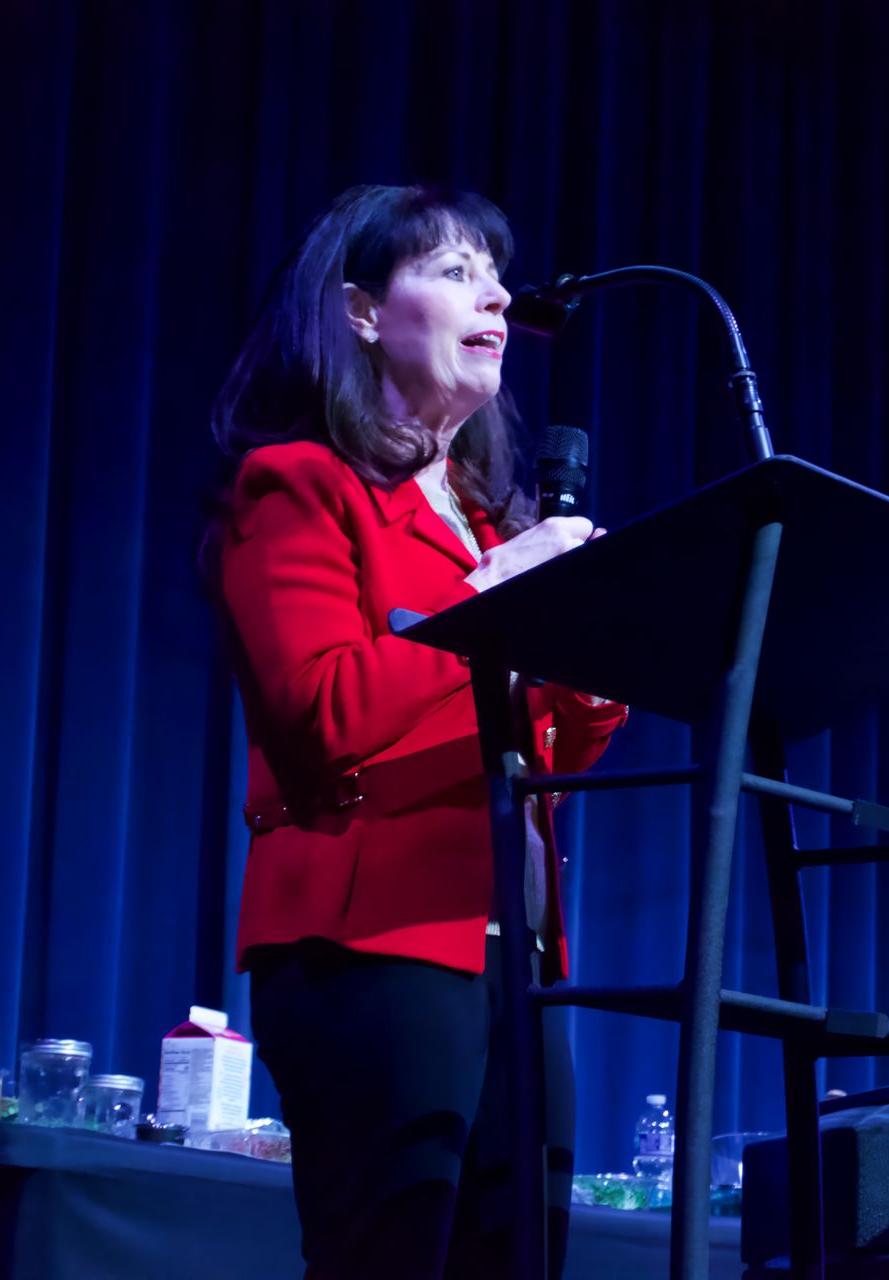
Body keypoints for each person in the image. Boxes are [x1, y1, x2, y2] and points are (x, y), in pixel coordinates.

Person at [205, 184, 626, 1278]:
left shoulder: (490, 523)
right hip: (372, 944)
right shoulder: (298, 485)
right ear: (359, 312)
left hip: (519, 960)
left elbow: (545, 757)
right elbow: (323, 710)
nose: (494, 292)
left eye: (495, 271)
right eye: (452, 269)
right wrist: (498, 600)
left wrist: (598, 651)